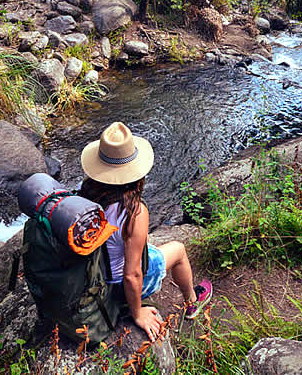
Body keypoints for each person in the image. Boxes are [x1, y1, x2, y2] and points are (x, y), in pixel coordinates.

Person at [79, 122, 213, 341]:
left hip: (93, 277)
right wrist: (137, 312)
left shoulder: (85, 193)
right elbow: (132, 275)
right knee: (178, 250)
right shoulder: (134, 211)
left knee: (141, 249)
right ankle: (192, 302)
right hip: (116, 288)